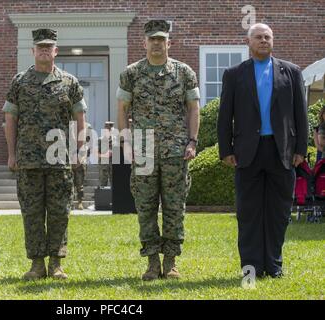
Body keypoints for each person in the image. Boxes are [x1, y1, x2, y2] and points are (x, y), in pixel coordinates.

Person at [217, 23, 308, 278]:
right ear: (249, 42)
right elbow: (225, 116)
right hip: (248, 152)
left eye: (267, 37)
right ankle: (251, 268)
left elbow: (301, 115)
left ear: (273, 41)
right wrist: (226, 150)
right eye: (258, 37)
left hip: (283, 152)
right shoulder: (234, 74)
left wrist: (301, 148)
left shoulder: (291, 72)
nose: (263, 40)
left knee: (278, 213)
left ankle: (274, 266)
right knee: (248, 213)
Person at [117, 20, 200, 281]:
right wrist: (126, 142)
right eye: (151, 39)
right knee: (146, 207)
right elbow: (122, 109)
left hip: (176, 150)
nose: (156, 43)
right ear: (144, 43)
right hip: (143, 150)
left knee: (175, 207)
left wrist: (192, 141)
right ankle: (152, 262)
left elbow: (194, 108)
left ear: (168, 43)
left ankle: (171, 261)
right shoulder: (131, 73)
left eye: (161, 39)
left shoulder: (184, 72)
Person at [3, 28, 87, 280]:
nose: (44, 50)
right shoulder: (19, 82)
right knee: (32, 212)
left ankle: (56, 264)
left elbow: (80, 120)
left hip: (59, 160)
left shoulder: (69, 83)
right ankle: (37, 264)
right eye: (40, 47)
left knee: (60, 212)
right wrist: (11, 153)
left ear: (55, 51)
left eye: (48, 47)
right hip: (28, 160)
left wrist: (78, 151)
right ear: (33, 51)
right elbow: (10, 119)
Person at [72, 122, 91, 210]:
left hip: (80, 160)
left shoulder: (87, 126)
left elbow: (87, 140)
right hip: (70, 158)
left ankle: (80, 202)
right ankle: (70, 202)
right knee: (69, 184)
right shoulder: (69, 125)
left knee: (80, 184)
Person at [98, 121, 114, 187]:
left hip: (113, 164)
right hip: (103, 165)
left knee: (114, 183)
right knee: (103, 184)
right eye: (106, 128)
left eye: (110, 128)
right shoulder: (100, 140)